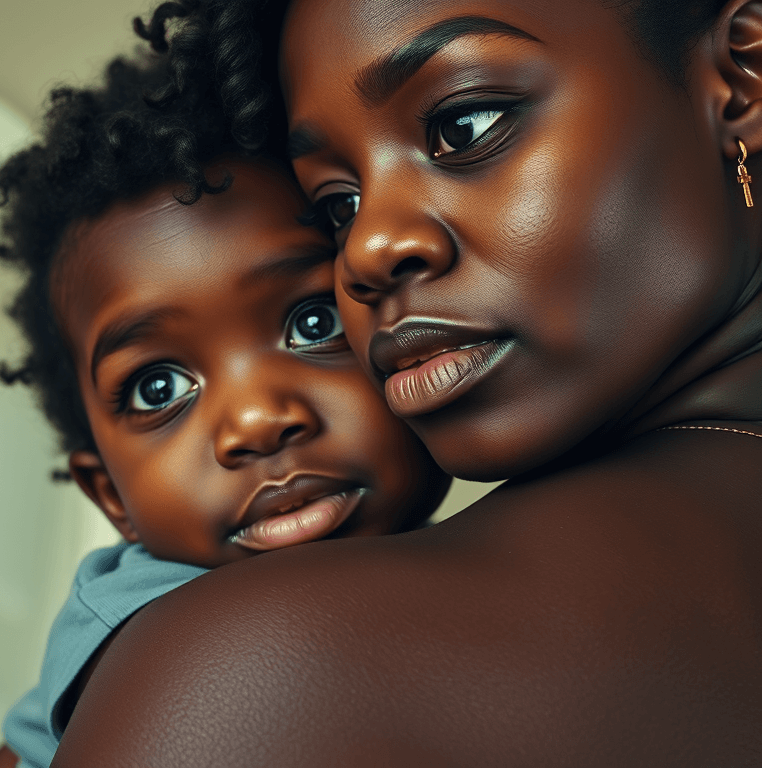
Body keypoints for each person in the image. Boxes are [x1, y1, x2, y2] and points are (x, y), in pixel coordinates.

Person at [48, 0, 762, 765]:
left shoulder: (273, 674)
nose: (367, 249)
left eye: (463, 127)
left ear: (742, 79)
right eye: (338, 207)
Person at [0, 56, 449, 768]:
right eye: (159, 389)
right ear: (113, 498)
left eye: (315, 322)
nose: (259, 420)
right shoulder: (153, 638)